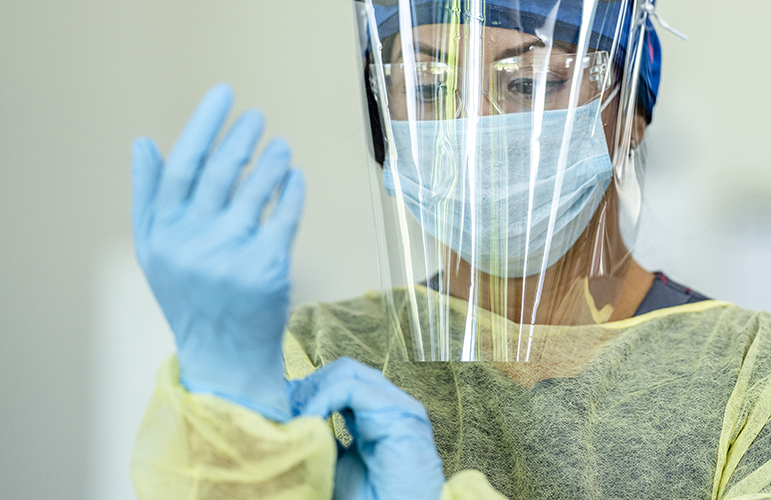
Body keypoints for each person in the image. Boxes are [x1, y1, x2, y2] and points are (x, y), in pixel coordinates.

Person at [129, 1, 771, 499]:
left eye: (530, 83)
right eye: (429, 87)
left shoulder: (748, 380)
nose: (473, 128)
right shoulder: (312, 359)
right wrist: (228, 405)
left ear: (629, 110)